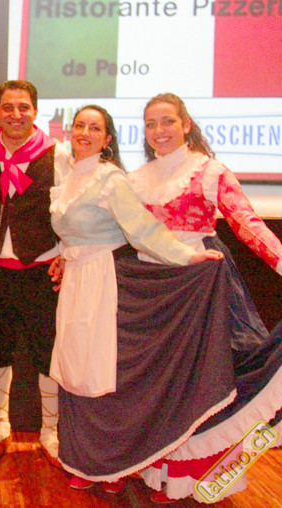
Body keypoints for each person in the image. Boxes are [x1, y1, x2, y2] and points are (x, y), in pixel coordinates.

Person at [49, 105, 225, 494]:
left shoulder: (111, 180)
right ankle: (83, 460)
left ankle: (112, 467)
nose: (85, 133)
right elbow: (72, 232)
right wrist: (63, 257)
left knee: (100, 372)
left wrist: (187, 256)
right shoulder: (69, 177)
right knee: (75, 369)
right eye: (80, 126)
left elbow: (143, 230)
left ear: (107, 139)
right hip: (76, 281)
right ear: (70, 132)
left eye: (95, 128)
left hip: (104, 281)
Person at [128, 93, 282, 503]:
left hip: (201, 285)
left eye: (167, 121)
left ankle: (197, 476)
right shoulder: (136, 178)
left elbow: (246, 223)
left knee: (201, 385)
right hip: (154, 290)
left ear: (185, 124)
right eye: (150, 124)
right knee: (161, 385)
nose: (159, 131)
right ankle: (160, 472)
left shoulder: (210, 171)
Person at [0, 80, 71, 465]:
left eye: (23, 107)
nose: (15, 114)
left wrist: (66, 254)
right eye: (8, 107)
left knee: (47, 354)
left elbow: (70, 215)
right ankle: (1, 426)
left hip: (42, 272)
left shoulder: (57, 154)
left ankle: (50, 432)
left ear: (35, 111)